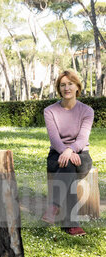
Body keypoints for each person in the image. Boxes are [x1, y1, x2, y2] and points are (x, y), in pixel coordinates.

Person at [42, 70, 94, 236]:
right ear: (59, 88)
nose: (67, 88)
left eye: (70, 84)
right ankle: (71, 224)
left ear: (77, 87)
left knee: (70, 164)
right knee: (68, 167)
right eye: (63, 85)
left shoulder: (87, 111)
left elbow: (82, 138)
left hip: (81, 155)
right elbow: (55, 139)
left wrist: (70, 150)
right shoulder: (50, 111)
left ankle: (53, 206)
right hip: (56, 155)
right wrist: (65, 151)